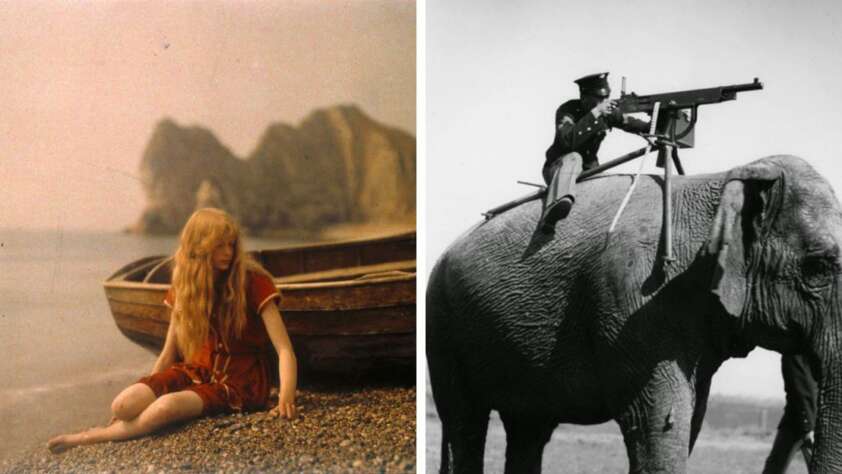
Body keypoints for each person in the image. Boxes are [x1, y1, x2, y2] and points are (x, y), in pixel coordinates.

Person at [47, 208, 298, 453]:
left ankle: (91, 437)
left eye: (231, 244)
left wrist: (286, 397)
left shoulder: (253, 281)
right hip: (196, 370)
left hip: (239, 383)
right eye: (220, 245)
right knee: (123, 405)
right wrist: (152, 384)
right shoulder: (185, 287)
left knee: (166, 407)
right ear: (199, 247)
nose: (229, 252)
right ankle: (121, 424)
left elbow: (284, 349)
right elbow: (168, 354)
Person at [542, 72, 650, 232]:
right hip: (559, 168)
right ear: (585, 98)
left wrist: (659, 119)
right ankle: (555, 209)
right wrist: (596, 113)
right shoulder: (568, 111)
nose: (605, 102)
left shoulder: (605, 112)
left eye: (607, 97)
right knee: (574, 157)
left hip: (589, 171)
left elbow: (633, 124)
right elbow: (568, 141)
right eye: (600, 99)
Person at [763, 354, 819, 473]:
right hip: (803, 420)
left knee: (775, 467)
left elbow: (804, 388)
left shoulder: (796, 353)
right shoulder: (797, 354)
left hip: (803, 421)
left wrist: (808, 426)